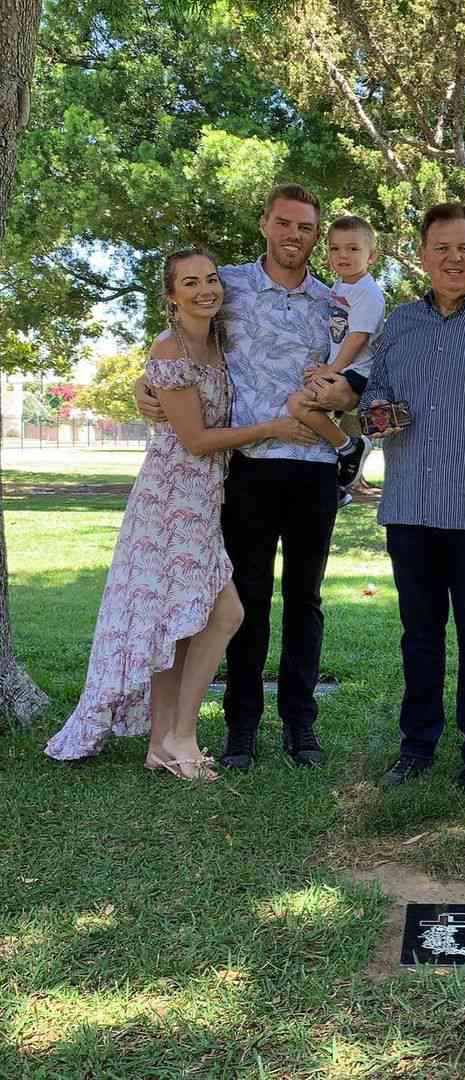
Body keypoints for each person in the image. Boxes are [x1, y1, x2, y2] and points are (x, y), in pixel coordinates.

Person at [305, 202, 465, 797]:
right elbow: (373, 401)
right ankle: (416, 747)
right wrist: (376, 412)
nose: (453, 258)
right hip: (411, 506)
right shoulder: (402, 326)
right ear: (422, 256)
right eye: (441, 247)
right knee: (419, 635)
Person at [45, 250, 316, 779]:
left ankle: (158, 745)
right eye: (189, 283)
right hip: (173, 498)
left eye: (211, 280)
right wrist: (271, 429)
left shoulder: (216, 342)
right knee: (228, 614)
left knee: (180, 620)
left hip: (204, 497)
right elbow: (194, 440)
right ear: (171, 296)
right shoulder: (171, 348)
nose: (205, 290)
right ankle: (182, 736)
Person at [135, 184, 337, 771]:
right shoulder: (228, 285)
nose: (293, 236)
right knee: (247, 599)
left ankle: (301, 728)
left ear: (315, 235)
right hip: (247, 470)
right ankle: (240, 731)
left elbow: (354, 378)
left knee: (306, 601)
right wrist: (142, 386)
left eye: (304, 227)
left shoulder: (335, 303)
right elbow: (179, 343)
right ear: (265, 225)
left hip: (315, 471)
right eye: (283, 223)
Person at [286, 215, 385, 507]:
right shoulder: (340, 287)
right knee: (314, 425)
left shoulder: (367, 292)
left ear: (372, 256)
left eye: (353, 249)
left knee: (298, 404)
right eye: (335, 248)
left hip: (359, 371)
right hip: (345, 367)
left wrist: (332, 369)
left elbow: (358, 338)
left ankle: (350, 447)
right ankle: (337, 485)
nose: (342, 255)